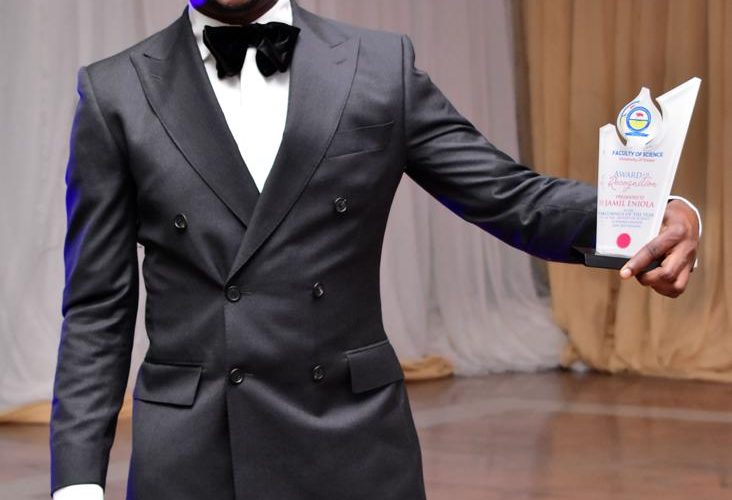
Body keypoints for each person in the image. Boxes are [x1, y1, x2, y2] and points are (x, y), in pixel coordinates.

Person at [49, 0, 701, 499]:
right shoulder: (115, 92)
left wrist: (649, 215)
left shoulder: (378, 65)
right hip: (194, 455)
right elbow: (97, 308)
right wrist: (77, 483)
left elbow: (507, 194)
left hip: (350, 440)